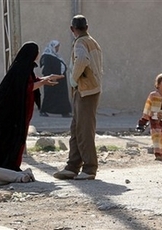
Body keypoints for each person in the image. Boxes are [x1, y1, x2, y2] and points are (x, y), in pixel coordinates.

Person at [0, 41, 64, 171]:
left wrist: (46, 79)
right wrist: (43, 83)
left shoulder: (26, 68)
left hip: (19, 111)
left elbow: (31, 81)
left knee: (15, 139)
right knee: (9, 139)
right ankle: (6, 166)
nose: (38, 54)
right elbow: (24, 87)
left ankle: (9, 165)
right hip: (11, 113)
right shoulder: (20, 69)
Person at [53, 15, 103, 180]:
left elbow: (81, 59)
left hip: (85, 90)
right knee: (76, 128)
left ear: (72, 29)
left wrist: (74, 79)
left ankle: (89, 168)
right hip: (89, 89)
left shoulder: (81, 42)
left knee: (84, 130)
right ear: (87, 26)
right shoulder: (92, 41)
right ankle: (72, 166)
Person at [39, 40, 72, 117]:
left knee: (62, 96)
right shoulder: (47, 56)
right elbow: (46, 69)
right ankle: (44, 110)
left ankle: (64, 112)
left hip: (60, 80)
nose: (57, 49)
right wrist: (51, 78)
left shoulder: (56, 56)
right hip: (52, 80)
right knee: (49, 95)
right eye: (56, 47)